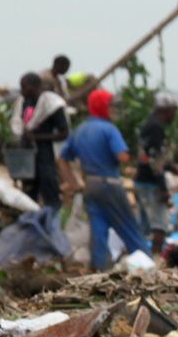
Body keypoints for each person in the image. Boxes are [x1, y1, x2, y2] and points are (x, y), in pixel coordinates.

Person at [58, 90, 150, 270]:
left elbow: (61, 159)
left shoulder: (80, 129)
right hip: (110, 183)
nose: (113, 110)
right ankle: (147, 264)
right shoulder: (109, 129)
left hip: (90, 184)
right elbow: (122, 156)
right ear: (103, 107)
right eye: (111, 106)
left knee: (98, 229)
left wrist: (72, 181)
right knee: (128, 227)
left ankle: (99, 268)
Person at [11, 72, 69, 208]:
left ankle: (52, 223)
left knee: (49, 189)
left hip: (46, 154)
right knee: (28, 193)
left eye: (24, 87)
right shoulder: (25, 102)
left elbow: (64, 133)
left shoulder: (52, 104)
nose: (22, 91)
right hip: (28, 156)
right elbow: (20, 125)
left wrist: (37, 137)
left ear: (34, 87)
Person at [135, 93, 178, 256]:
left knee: (144, 224)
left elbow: (147, 156)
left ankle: (140, 255)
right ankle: (154, 260)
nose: (174, 115)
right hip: (152, 183)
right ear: (166, 110)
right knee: (160, 225)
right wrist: (164, 189)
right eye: (173, 111)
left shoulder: (146, 125)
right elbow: (155, 162)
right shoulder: (157, 128)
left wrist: (169, 166)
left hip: (141, 179)